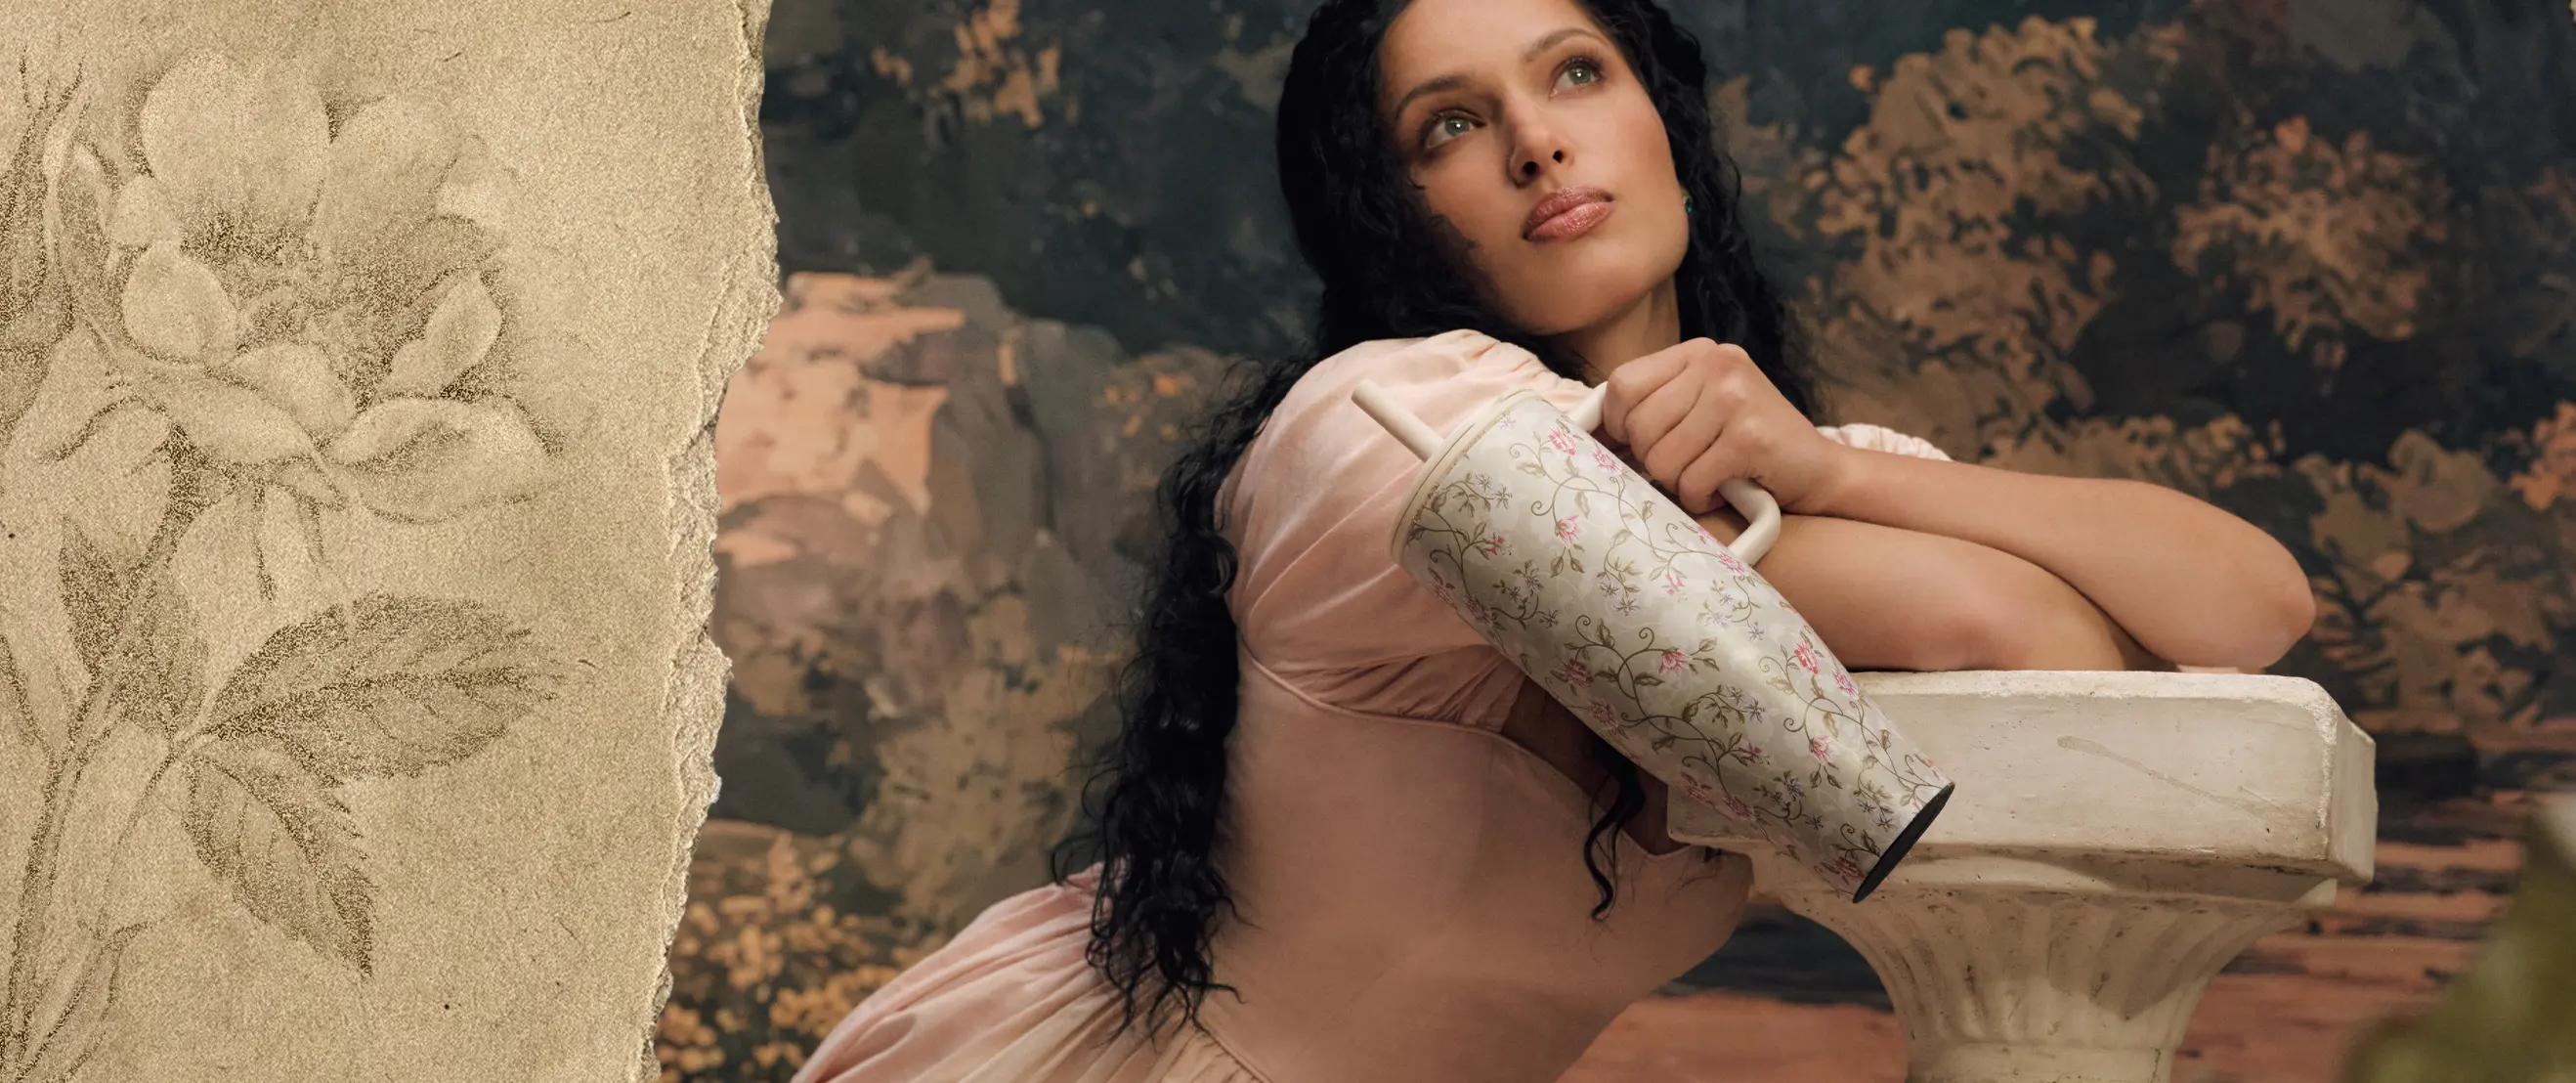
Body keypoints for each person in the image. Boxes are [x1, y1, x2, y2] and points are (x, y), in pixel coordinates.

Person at [790, 0, 2316, 1079]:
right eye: (1451, 124)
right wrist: (1856, 505)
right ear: (1389, 208)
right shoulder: (1386, 441)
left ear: (1662, 117)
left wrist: (1826, 463)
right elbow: (2016, 632)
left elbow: (2254, 606)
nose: (1537, 144)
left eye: (1575, 72)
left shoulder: (1782, 474)